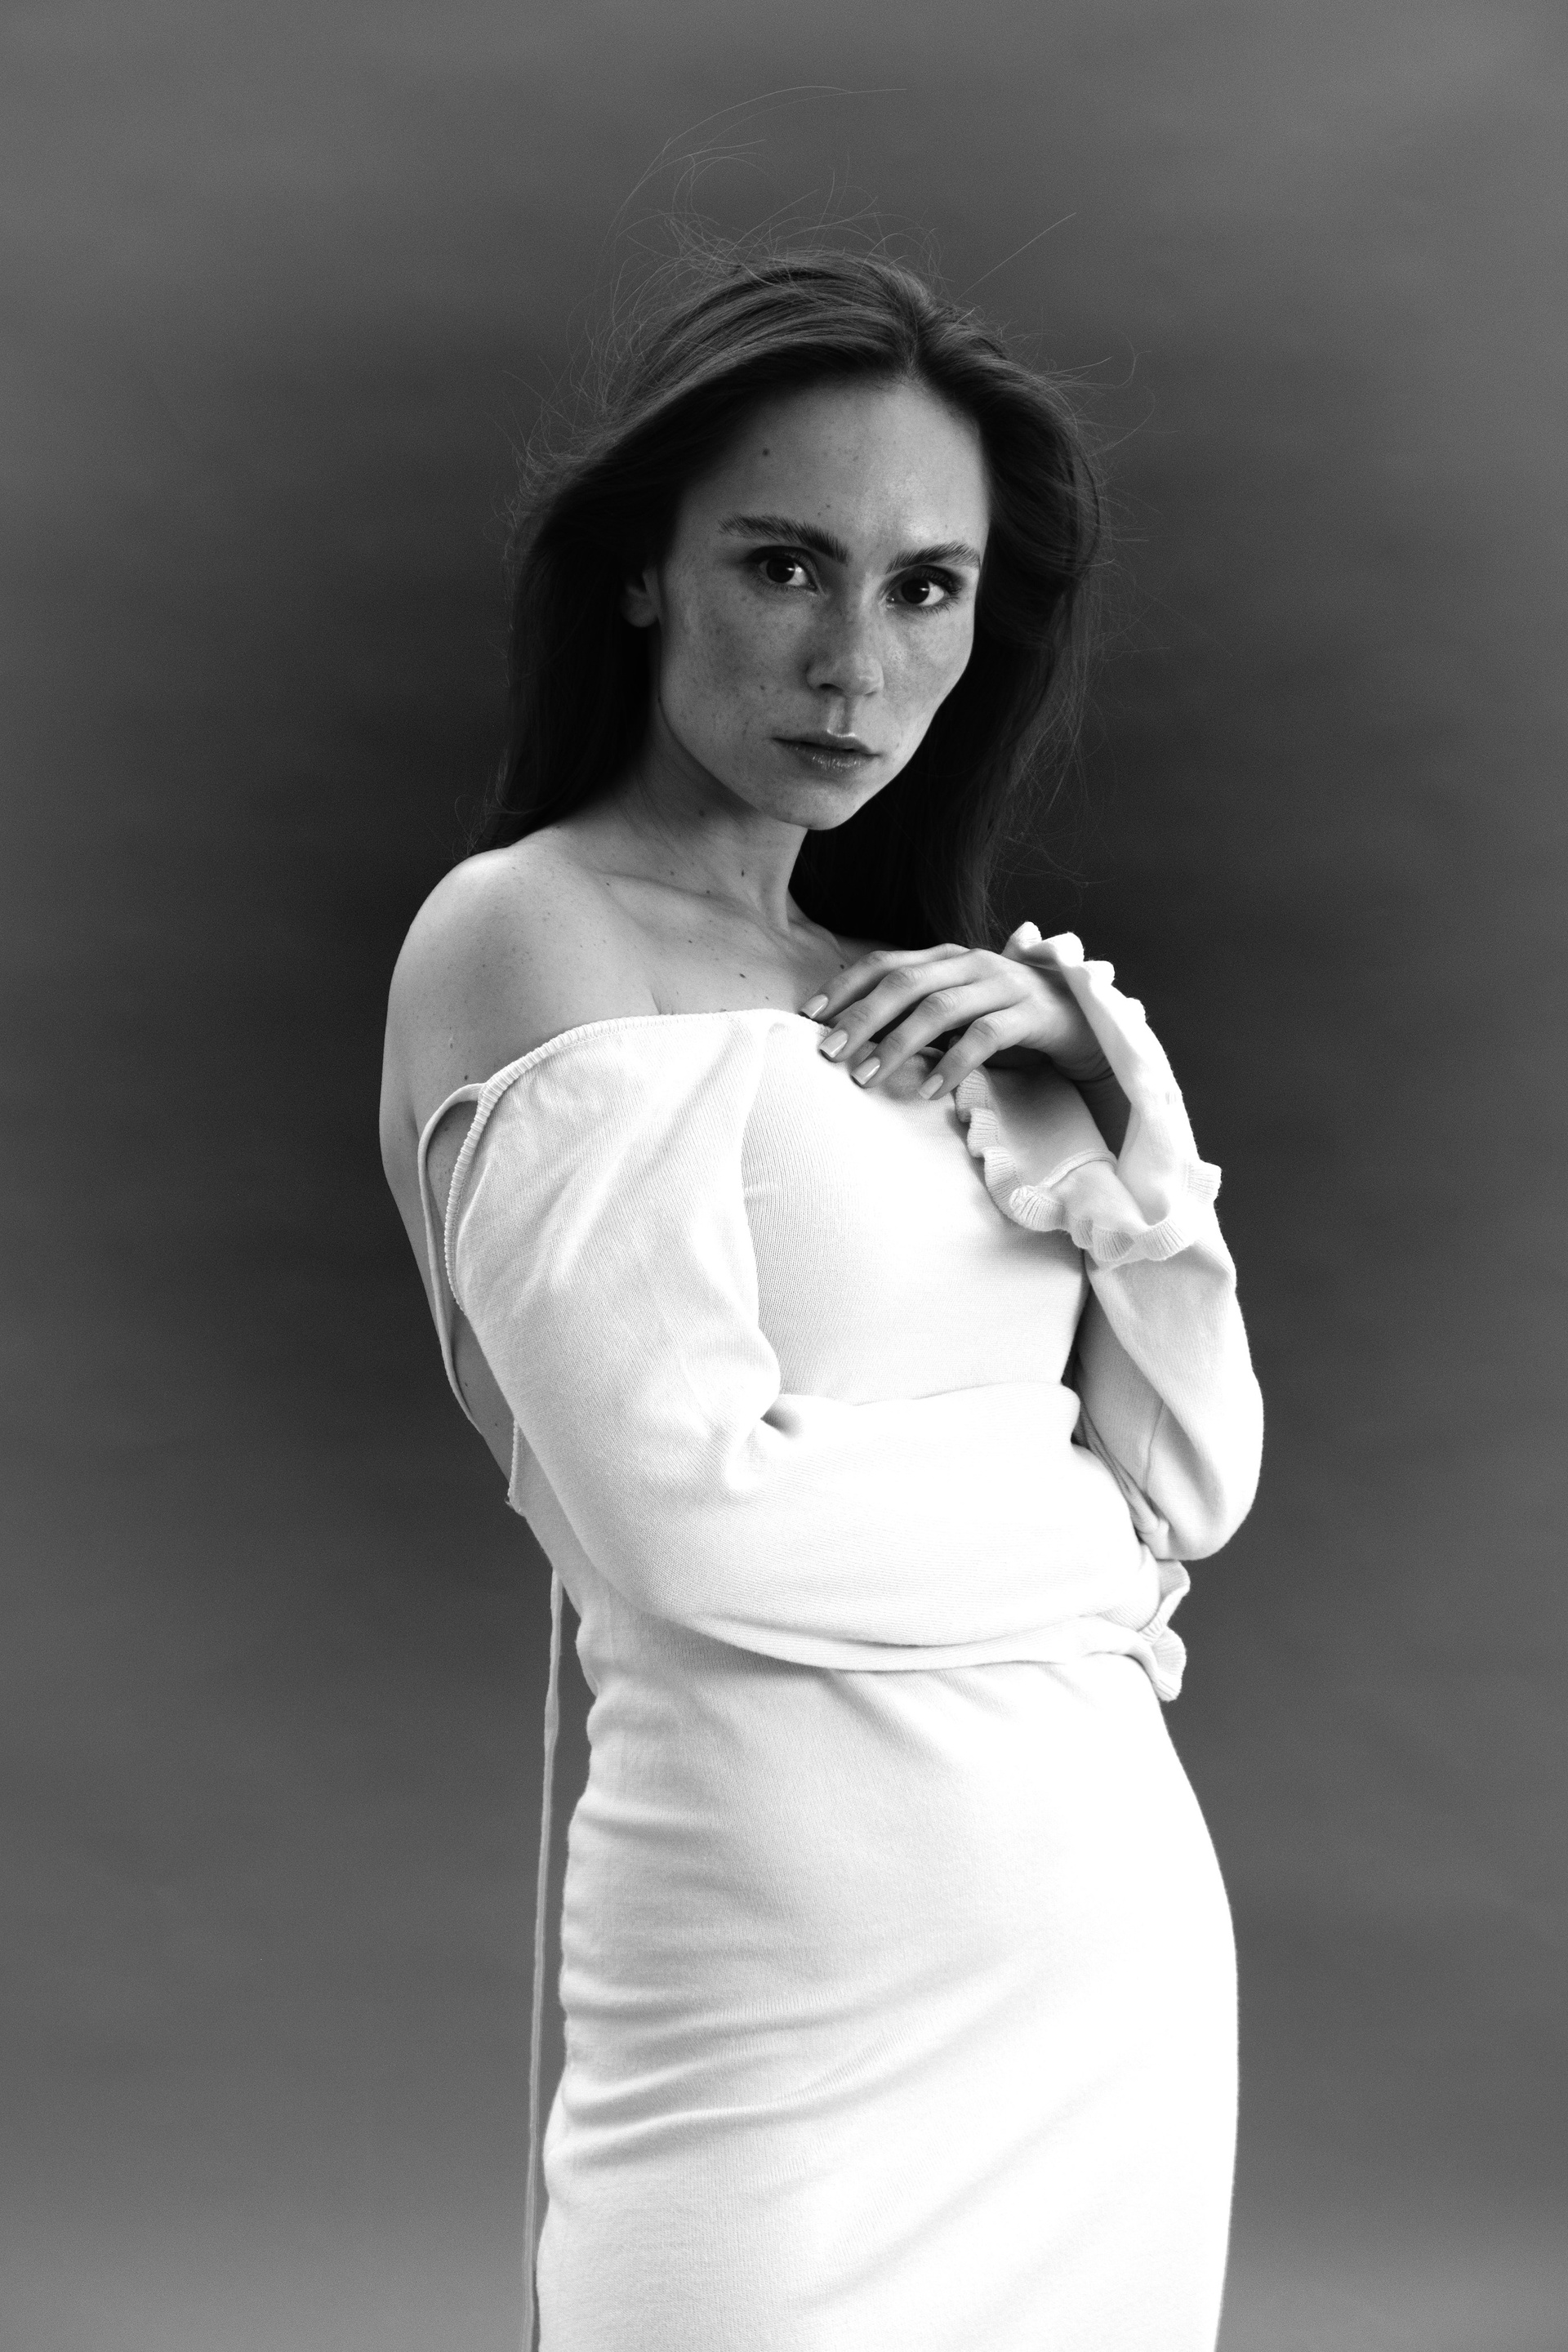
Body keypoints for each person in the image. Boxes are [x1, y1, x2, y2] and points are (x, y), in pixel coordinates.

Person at [378, 242, 1264, 2352]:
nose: (855, 664)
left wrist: (1101, 1095)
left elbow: (1197, 1481)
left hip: (1105, 1996)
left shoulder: (931, 1013)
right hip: (773, 2031)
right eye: (784, 565)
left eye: (925, 588)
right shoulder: (525, 933)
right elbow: (686, 1533)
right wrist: (1085, 1570)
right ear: (641, 571)